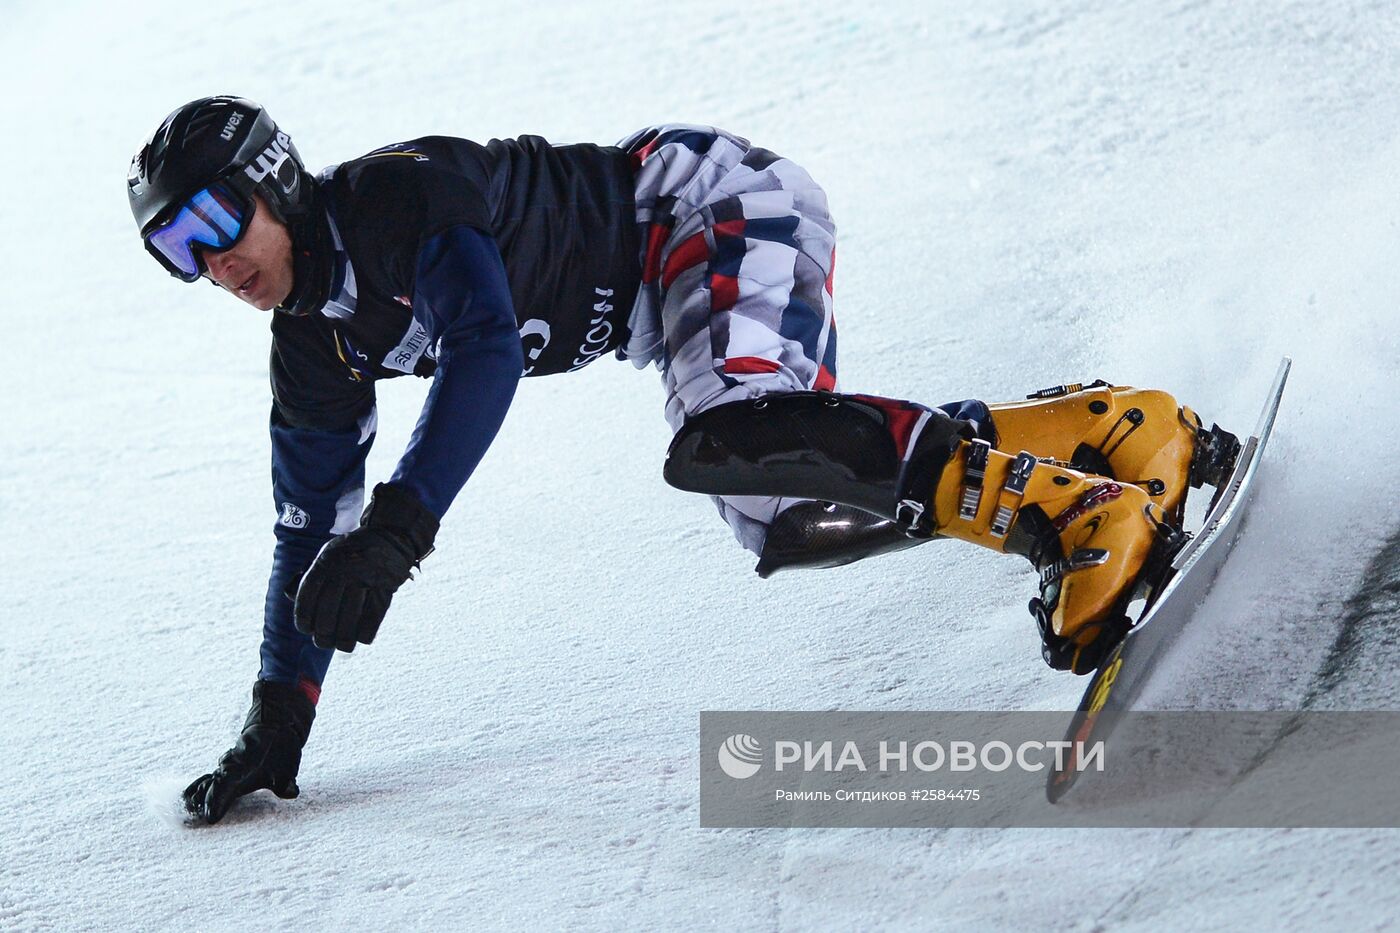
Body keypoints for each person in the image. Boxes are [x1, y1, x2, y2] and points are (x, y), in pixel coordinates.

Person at [128, 96, 1239, 824]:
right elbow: (306, 534)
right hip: (673, 291)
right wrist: (278, 721)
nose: (210, 262)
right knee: (769, 509)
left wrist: (402, 527)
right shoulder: (311, 348)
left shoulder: (395, 197)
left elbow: (483, 352)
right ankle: (1108, 435)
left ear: (271, 178)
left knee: (731, 440)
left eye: (214, 221)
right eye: (174, 251)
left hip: (709, 204)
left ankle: (1078, 517)